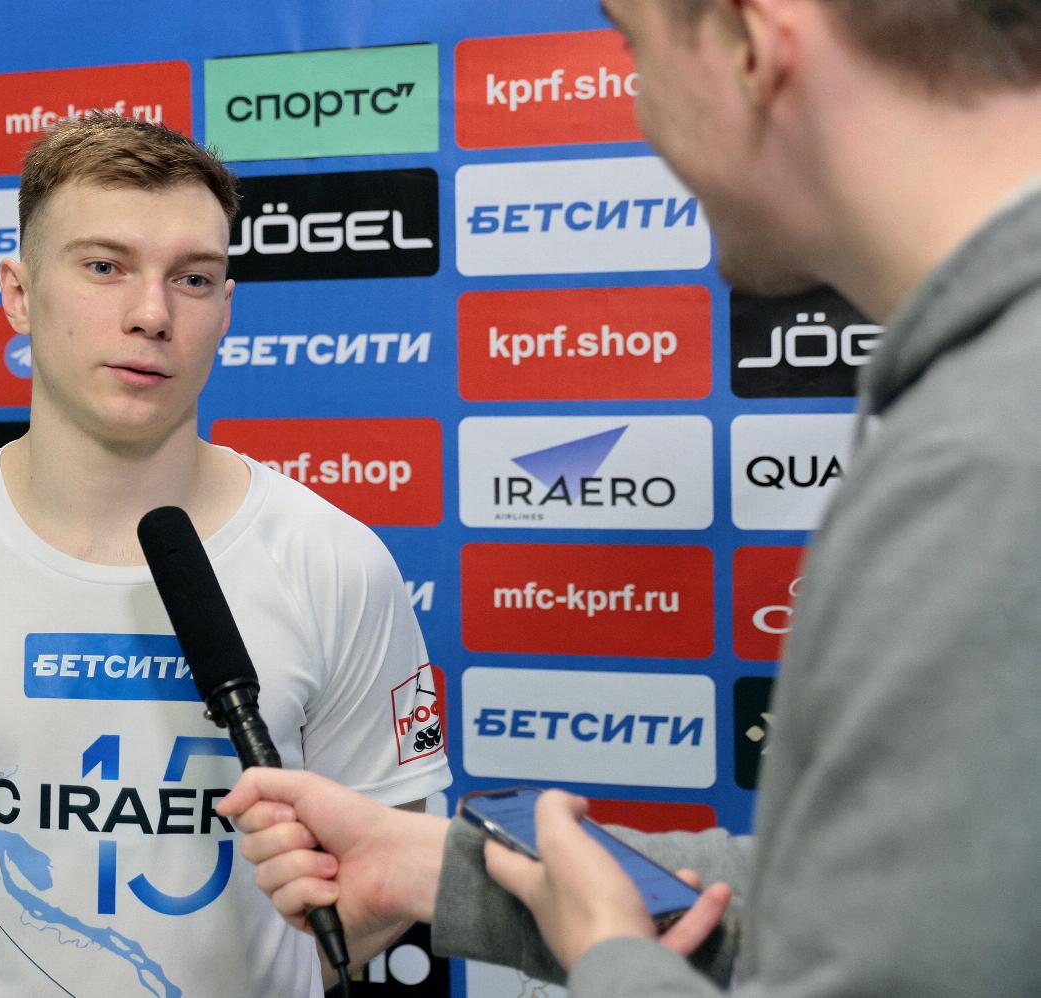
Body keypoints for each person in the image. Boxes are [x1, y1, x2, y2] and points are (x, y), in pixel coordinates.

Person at [221, 1, 1041, 994]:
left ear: (751, 46)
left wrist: (610, 957)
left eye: (634, 49)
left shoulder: (987, 463)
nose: (642, 113)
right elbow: (886, 901)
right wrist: (431, 869)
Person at [0, 113, 450, 997]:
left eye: (192, 278)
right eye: (104, 267)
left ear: (226, 310)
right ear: (19, 294)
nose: (152, 314)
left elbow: (384, 888)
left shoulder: (340, 564)